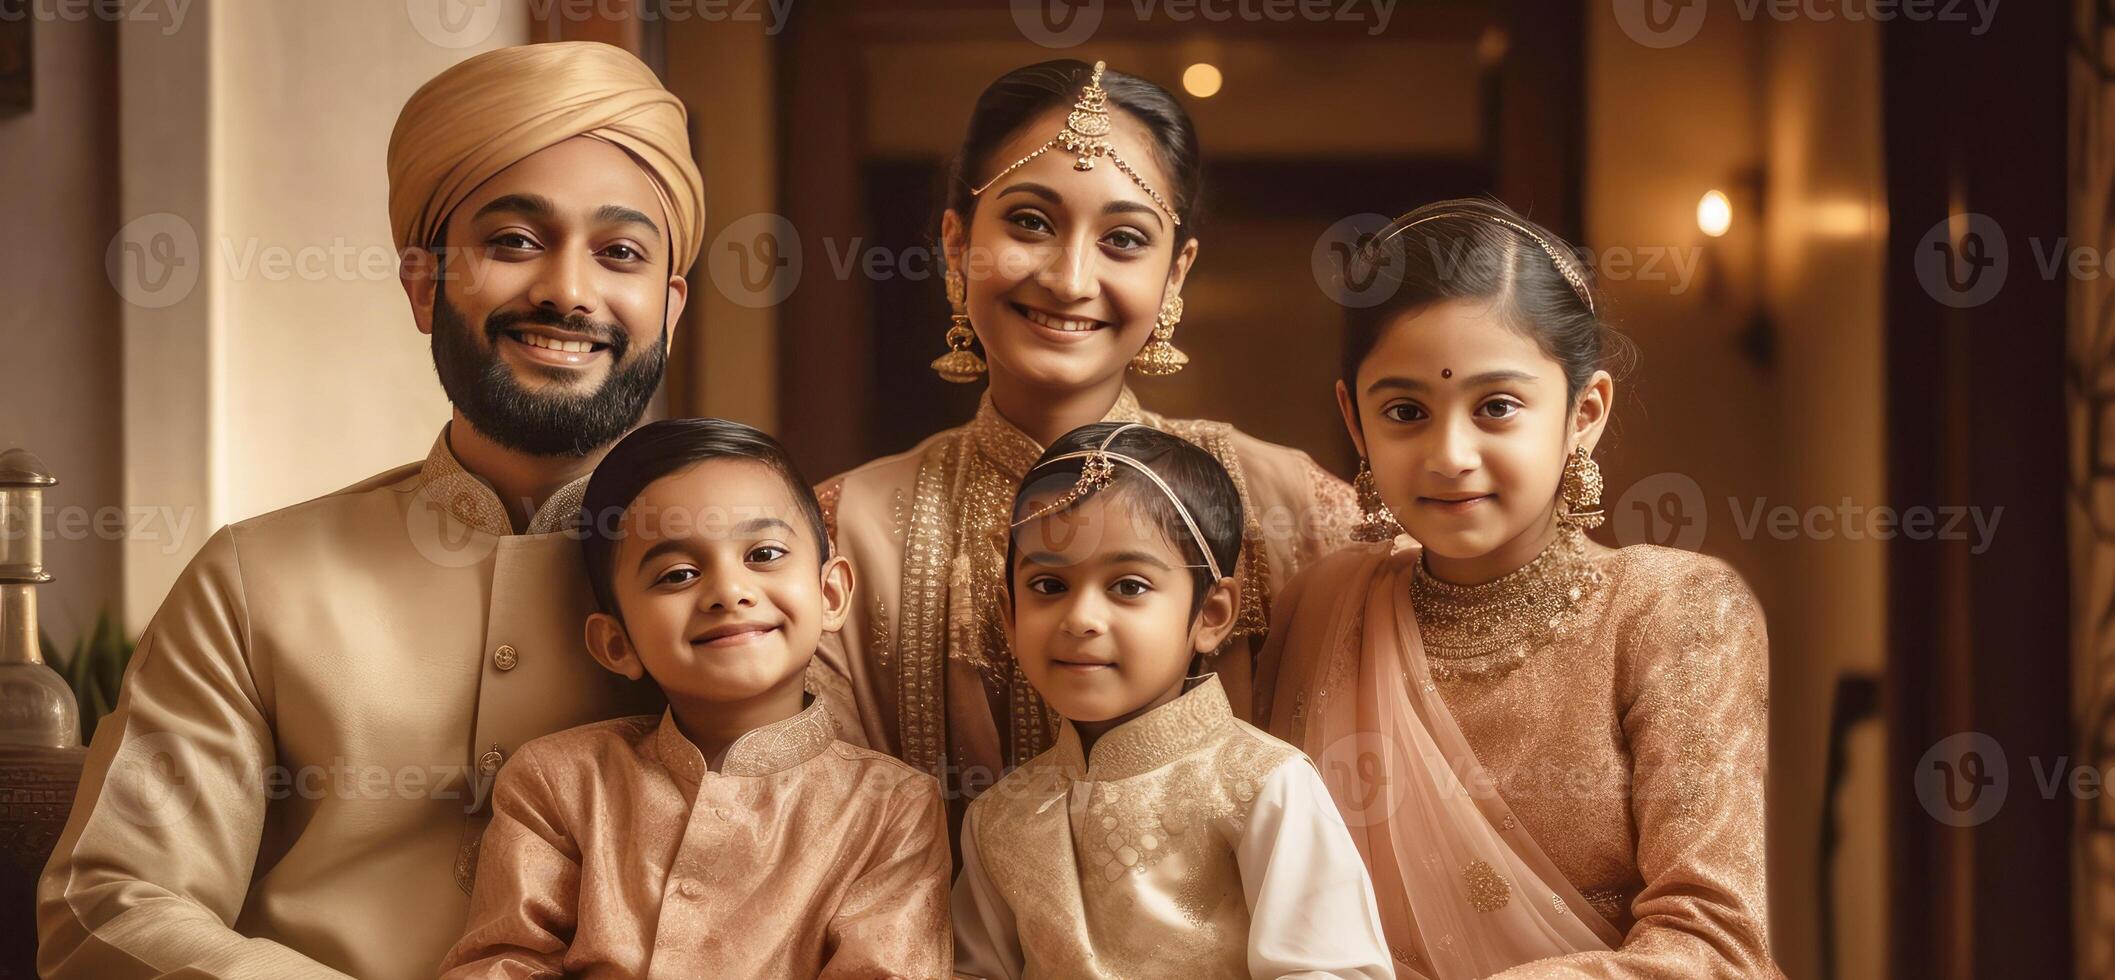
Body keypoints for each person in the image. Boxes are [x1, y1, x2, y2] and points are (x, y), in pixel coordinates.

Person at [38, 42, 704, 979]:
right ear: (423, 282)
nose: (566, 288)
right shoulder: (254, 579)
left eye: (621, 252)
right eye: (513, 241)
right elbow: (110, 905)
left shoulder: (749, 587)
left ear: (668, 306)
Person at [815, 60, 1358, 815]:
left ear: (1175, 275)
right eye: (1031, 222)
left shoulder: (1287, 506)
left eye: (1124, 239)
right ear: (954, 242)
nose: (1070, 278)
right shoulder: (841, 533)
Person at [1256, 199, 1781, 978]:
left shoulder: (1670, 612)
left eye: (1496, 407)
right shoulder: (1321, 607)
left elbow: (1714, 945)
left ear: (1583, 411)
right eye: (1405, 411)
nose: (1449, 454)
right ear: (1354, 421)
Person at [440, 419, 951, 979]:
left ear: (830, 593)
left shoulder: (893, 806)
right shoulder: (558, 783)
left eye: (763, 554)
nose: (729, 591)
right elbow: (500, 965)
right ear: (617, 644)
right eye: (678, 573)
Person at [951, 422, 1392, 979]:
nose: (1081, 619)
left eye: (1129, 586)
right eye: (1048, 587)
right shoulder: (999, 816)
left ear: (1211, 616)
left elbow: (1329, 970)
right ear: (1010, 618)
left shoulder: (1262, 785)